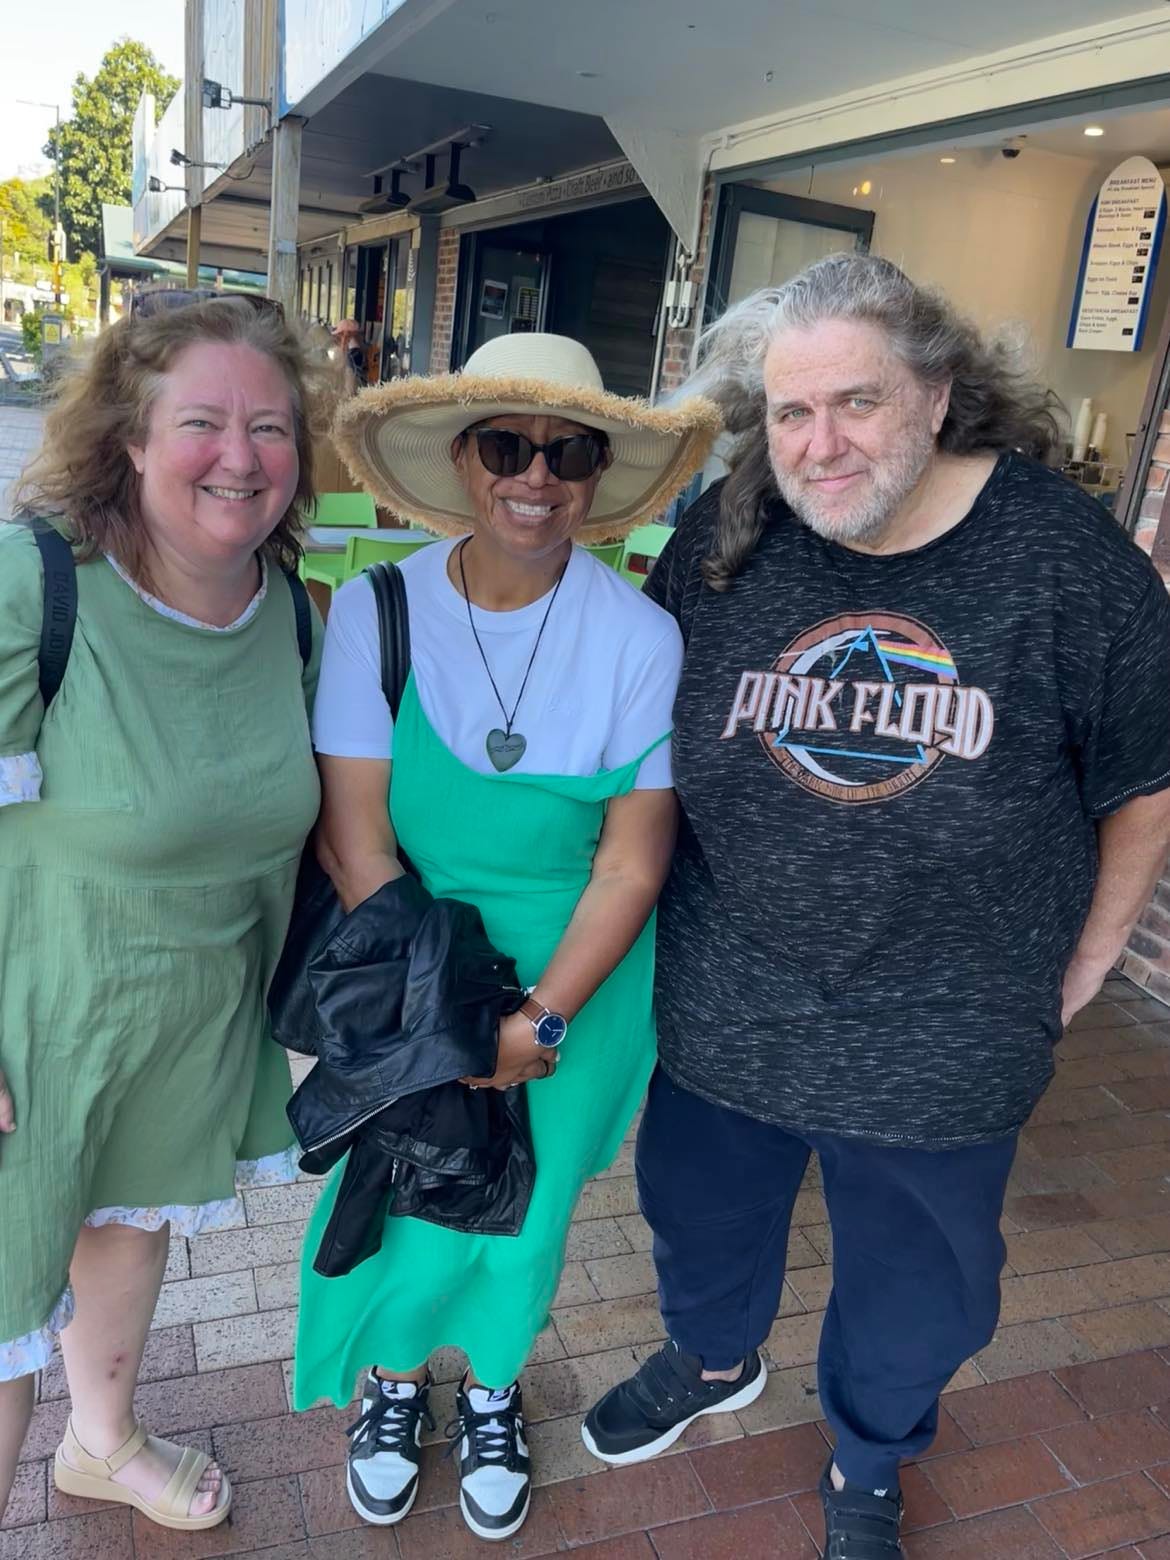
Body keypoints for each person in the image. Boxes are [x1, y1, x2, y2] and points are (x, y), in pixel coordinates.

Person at [581, 253, 1170, 1558]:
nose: (819, 443)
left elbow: (1144, 779)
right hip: (731, 993)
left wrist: (1080, 966)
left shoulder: (1061, 560)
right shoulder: (728, 529)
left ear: (936, 394)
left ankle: (868, 1454)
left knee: (920, 1288)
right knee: (697, 1216)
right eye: (791, 413)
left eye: (853, 402)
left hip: (949, 1024)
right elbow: (639, 728)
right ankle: (713, 1357)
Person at [292, 332, 719, 1541]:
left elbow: (634, 858)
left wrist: (542, 1016)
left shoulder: (641, 638)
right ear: (465, 461)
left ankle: (488, 1388)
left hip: (579, 974)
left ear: (596, 473)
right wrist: (454, 1023)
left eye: (569, 452)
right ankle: (389, 1382)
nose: (538, 475)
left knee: (527, 1214)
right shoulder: (379, 614)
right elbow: (354, 844)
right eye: (507, 445)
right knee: (409, 1190)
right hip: (411, 963)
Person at [0, 294, 328, 1534]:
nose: (239, 458)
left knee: (128, 1235)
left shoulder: (291, 611)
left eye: (270, 427)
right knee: (0, 1317)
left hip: (193, 1014)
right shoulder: (36, 586)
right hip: (31, 1021)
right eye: (200, 422)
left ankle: (106, 1441)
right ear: (130, 439)